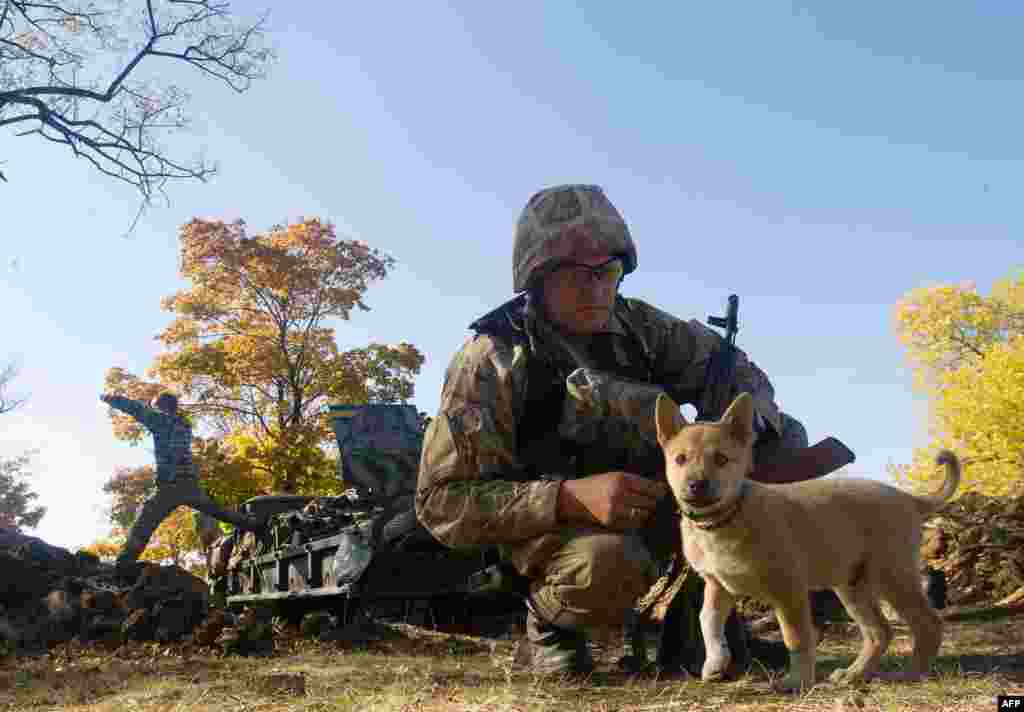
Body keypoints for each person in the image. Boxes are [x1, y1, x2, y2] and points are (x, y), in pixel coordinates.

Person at [416, 184, 811, 675]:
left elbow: (742, 375)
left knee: (783, 444)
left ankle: (704, 629)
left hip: (667, 494)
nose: (597, 288)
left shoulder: (644, 329)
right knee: (606, 564)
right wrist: (568, 497)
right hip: (556, 535)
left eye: (608, 272)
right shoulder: (493, 360)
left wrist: (736, 430)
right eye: (575, 274)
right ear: (536, 279)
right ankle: (547, 630)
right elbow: (441, 503)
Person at [100, 391, 263, 575]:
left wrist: (111, 398)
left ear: (160, 407)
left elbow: (137, 409)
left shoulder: (161, 419)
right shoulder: (183, 425)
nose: (152, 410)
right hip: (190, 483)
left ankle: (123, 565)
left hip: (171, 484)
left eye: (154, 407)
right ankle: (254, 524)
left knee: (145, 522)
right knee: (216, 510)